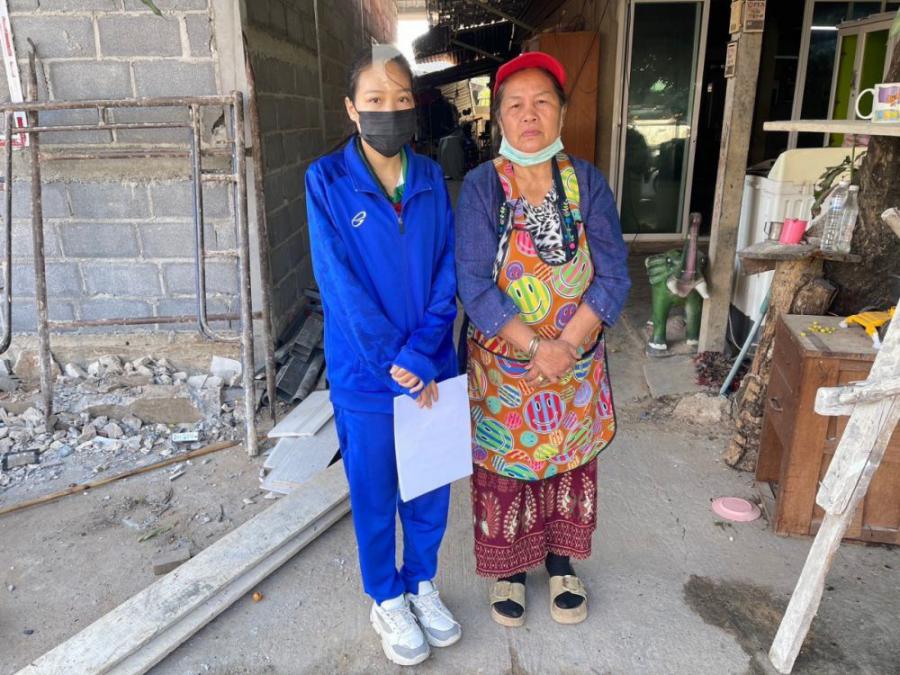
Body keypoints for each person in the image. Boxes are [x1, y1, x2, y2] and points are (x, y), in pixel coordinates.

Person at [455, 52, 631, 627]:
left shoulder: (588, 182)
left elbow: (613, 275)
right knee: (506, 468)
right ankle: (508, 570)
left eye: (542, 102)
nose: (529, 115)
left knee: (567, 462)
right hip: (506, 366)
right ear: (499, 117)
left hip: (573, 364)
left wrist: (567, 347)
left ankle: (560, 562)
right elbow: (473, 283)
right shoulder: (483, 187)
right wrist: (537, 347)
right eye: (515, 105)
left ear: (562, 112)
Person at [305, 45, 460, 666]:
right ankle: (385, 597)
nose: (388, 111)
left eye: (399, 99)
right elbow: (339, 286)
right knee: (374, 495)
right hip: (366, 376)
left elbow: (448, 269)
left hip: (432, 369)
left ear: (413, 105)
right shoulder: (326, 181)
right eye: (374, 100)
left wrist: (424, 354)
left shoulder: (431, 178)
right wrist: (396, 361)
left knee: (428, 490)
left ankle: (421, 583)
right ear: (352, 108)